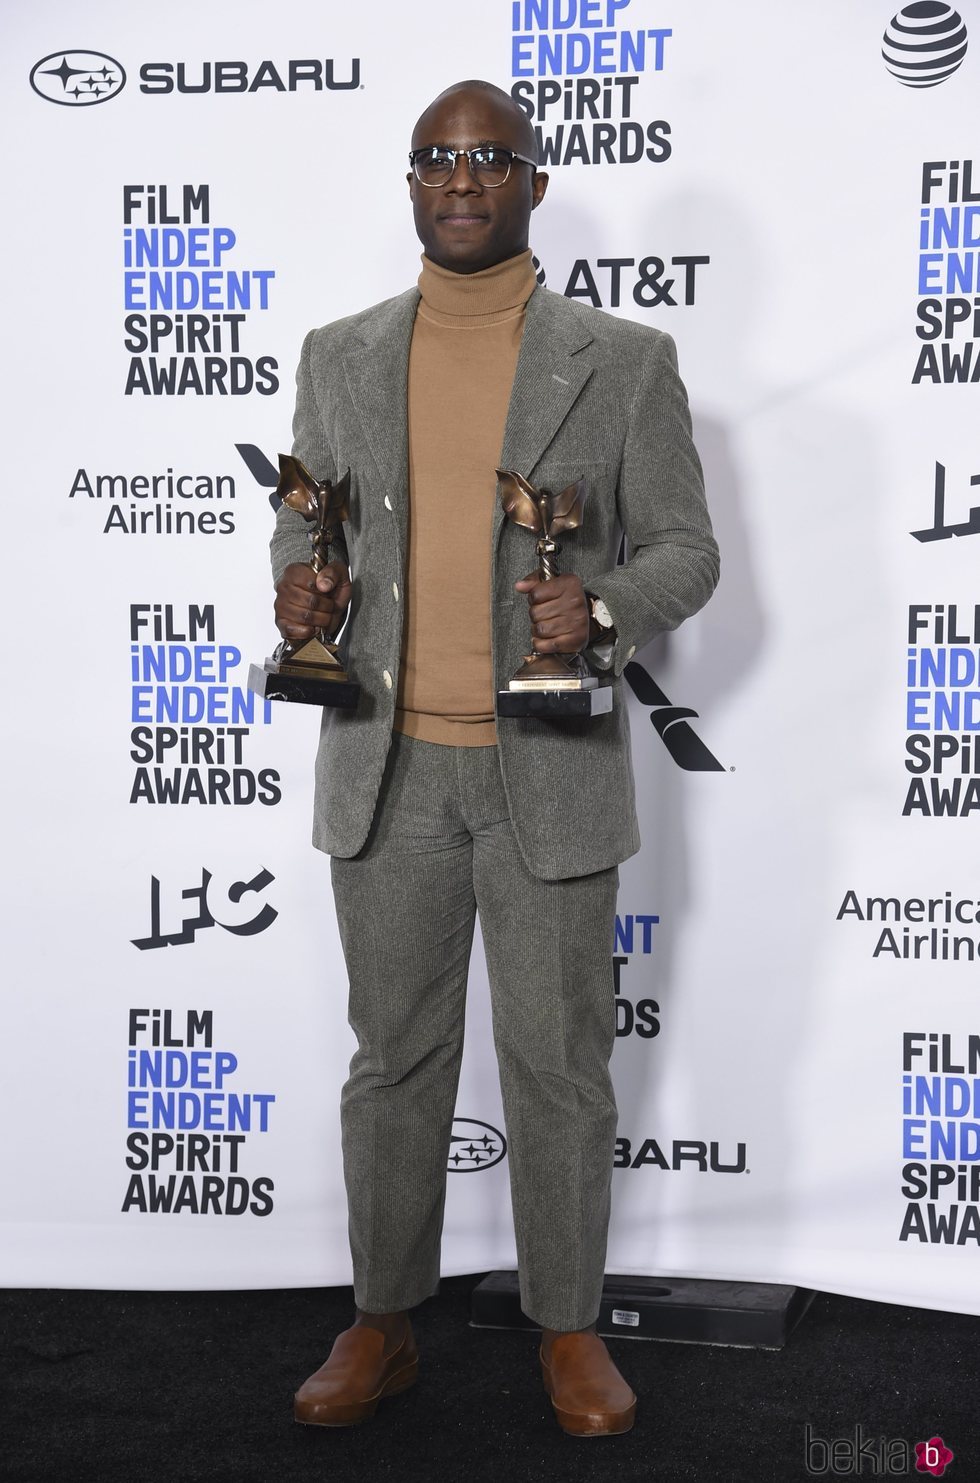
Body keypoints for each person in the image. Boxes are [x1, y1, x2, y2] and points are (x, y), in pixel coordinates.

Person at [270, 78, 718, 1437]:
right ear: (412, 183)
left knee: (559, 1064)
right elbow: (309, 530)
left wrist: (609, 607)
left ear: (533, 178)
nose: (459, 181)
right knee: (391, 1061)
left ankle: (568, 1332)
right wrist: (299, 592)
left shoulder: (623, 359)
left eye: (486, 160)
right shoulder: (338, 350)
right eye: (434, 161)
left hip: (548, 771)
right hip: (386, 768)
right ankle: (382, 1322)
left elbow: (686, 552)